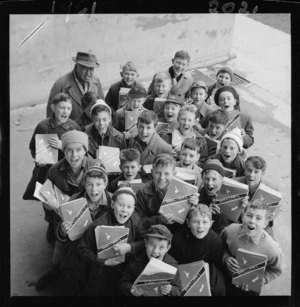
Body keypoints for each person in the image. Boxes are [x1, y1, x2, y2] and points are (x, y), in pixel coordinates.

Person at [35, 130, 96, 290]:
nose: (74, 155)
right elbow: (47, 194)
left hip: (91, 213)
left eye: (78, 150)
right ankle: (54, 272)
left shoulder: (95, 165)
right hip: (63, 215)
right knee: (60, 245)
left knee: (87, 247)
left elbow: (102, 190)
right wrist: (49, 207)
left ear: (85, 150)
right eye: (69, 150)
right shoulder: (54, 171)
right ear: (63, 151)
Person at [77, 187, 146, 296]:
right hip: (103, 270)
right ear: (113, 205)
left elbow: (144, 241)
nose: (124, 210)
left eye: (129, 206)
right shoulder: (98, 224)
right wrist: (103, 262)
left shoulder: (136, 220)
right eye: (121, 205)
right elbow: (82, 248)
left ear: (134, 209)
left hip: (127, 269)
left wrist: (131, 247)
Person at [23, 93, 81, 205]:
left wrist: (64, 146)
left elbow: (80, 151)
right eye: (62, 107)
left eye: (68, 108)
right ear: (53, 108)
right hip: (47, 171)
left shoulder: (74, 128)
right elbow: (33, 147)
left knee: (65, 200)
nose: (65, 112)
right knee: (48, 200)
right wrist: (38, 159)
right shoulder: (43, 126)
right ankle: (50, 220)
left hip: (66, 171)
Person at [221, 199, 285, 296]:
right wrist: (225, 258)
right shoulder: (230, 230)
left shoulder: (272, 248)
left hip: (249, 290)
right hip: (225, 278)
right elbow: (219, 246)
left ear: (265, 223)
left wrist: (260, 281)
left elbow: (277, 270)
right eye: (249, 215)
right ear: (243, 216)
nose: (252, 221)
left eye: (258, 218)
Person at [169, 204, 226, 296]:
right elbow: (173, 264)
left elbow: (218, 268)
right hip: (184, 274)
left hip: (206, 276)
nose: (200, 226)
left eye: (205, 222)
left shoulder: (215, 241)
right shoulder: (178, 239)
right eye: (195, 222)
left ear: (211, 224)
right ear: (188, 223)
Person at [135, 153, 199, 232]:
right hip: (152, 235)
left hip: (178, 233)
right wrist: (159, 219)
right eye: (158, 173)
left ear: (174, 174)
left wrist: (193, 207)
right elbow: (138, 221)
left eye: (166, 174)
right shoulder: (142, 192)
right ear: (152, 172)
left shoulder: (186, 190)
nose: (162, 178)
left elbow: (190, 221)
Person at [119, 224, 181, 296]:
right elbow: (123, 283)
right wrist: (131, 289)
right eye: (152, 245)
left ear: (167, 248)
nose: (155, 251)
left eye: (161, 247)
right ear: (145, 243)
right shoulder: (135, 262)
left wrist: (170, 289)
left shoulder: (173, 265)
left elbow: (178, 290)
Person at [46, 51, 104, 120]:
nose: (88, 73)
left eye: (91, 69)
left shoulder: (96, 81)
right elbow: (51, 117)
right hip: (69, 129)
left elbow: (102, 108)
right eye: (84, 68)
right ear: (76, 66)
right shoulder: (61, 84)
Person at [233, 156, 279, 238]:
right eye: (249, 170)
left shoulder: (271, 189)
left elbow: (274, 211)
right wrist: (239, 207)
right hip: (238, 221)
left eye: (256, 172)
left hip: (259, 224)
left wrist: (272, 214)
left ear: (263, 173)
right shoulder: (234, 183)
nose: (251, 175)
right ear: (244, 170)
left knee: (269, 242)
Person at [198, 159, 248, 235]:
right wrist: (207, 213)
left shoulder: (233, 194)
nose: (210, 183)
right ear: (202, 178)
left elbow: (241, 225)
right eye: (206, 179)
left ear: (222, 179)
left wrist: (243, 210)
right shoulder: (199, 197)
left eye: (214, 179)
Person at [214, 85, 254, 150]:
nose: (225, 101)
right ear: (218, 103)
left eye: (229, 98)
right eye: (222, 99)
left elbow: (249, 143)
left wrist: (243, 136)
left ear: (235, 101)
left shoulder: (244, 118)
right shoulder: (214, 116)